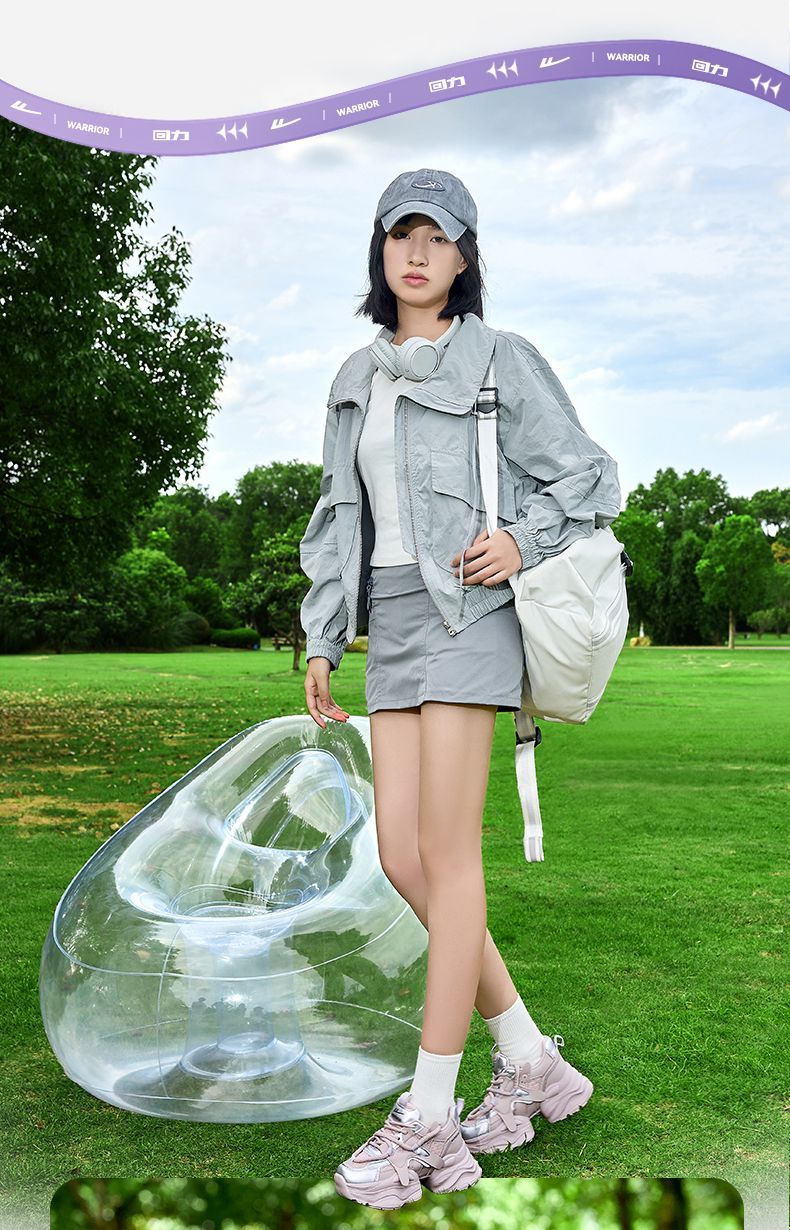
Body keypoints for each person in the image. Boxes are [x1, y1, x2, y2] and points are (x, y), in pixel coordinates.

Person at [298, 168, 622, 1210]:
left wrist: (520, 539)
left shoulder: (499, 360)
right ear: (380, 251)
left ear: (464, 257)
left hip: (471, 612)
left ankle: (429, 1122)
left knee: (448, 852)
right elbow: (336, 513)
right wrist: (322, 635)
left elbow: (589, 476)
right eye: (402, 234)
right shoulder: (356, 376)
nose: (417, 253)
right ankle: (529, 1061)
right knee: (401, 857)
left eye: (438, 237)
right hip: (390, 623)